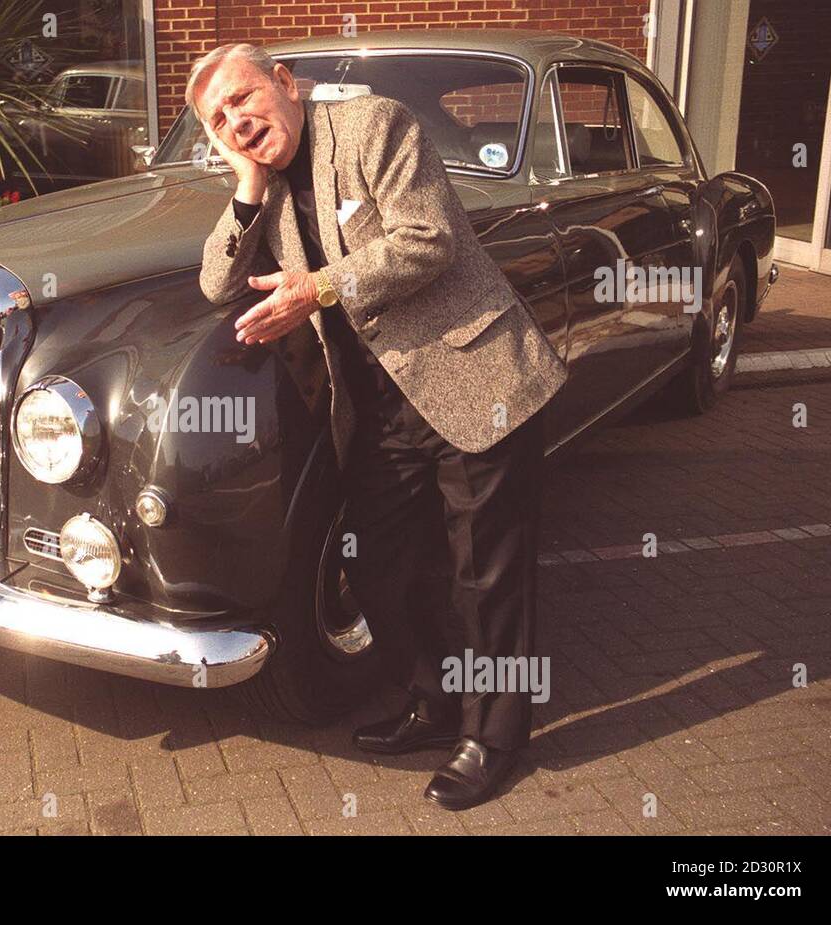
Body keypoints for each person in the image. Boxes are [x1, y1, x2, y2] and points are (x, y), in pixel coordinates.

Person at [190, 42, 567, 810]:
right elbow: (215, 281)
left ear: (286, 85)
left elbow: (428, 238)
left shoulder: (374, 127)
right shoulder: (261, 186)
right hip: (384, 408)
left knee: (485, 579)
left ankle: (496, 737)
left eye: (243, 100)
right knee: (378, 563)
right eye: (218, 119)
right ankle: (434, 701)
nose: (235, 121)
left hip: (475, 376)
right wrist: (248, 184)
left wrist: (316, 288)